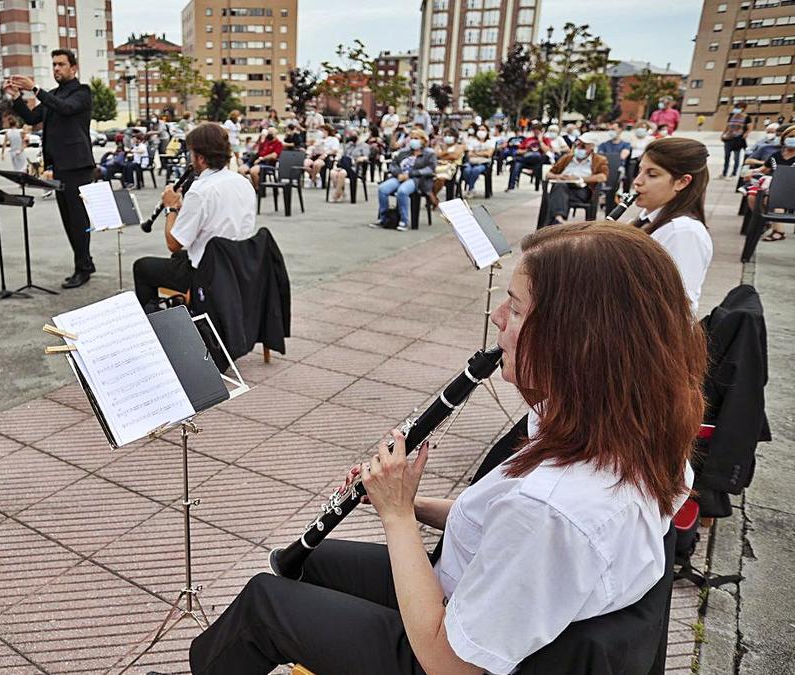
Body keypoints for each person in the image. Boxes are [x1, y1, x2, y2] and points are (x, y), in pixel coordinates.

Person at [189, 221, 703, 675]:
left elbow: (448, 662)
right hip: (486, 595)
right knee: (308, 561)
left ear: (579, 338)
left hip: (450, 653)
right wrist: (407, 503)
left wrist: (395, 519)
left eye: (517, 308)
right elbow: (507, 528)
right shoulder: (622, 426)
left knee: (265, 603)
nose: (498, 317)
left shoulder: (555, 507)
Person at [131, 123, 256, 310]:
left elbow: (174, 243)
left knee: (142, 267)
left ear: (201, 158)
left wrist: (171, 208)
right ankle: (186, 305)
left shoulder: (200, 190)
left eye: (191, 153)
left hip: (208, 271)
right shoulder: (243, 182)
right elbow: (214, 219)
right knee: (178, 257)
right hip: (239, 264)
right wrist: (183, 209)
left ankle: (154, 322)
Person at [7, 48, 97, 289]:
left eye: (61, 64)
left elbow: (65, 108)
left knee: (78, 220)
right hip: (59, 167)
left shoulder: (82, 92)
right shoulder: (53, 95)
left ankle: (83, 268)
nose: (56, 68)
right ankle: (84, 262)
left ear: (73, 68)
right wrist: (16, 97)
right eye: (54, 65)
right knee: (68, 220)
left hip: (78, 166)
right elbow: (31, 118)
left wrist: (36, 89)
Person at [630, 136, 714, 312]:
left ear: (682, 182)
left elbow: (677, 304)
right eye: (640, 171)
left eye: (652, 174)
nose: (637, 181)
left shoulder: (684, 233)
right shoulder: (648, 218)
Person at [374, 129, 436, 231]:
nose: (412, 140)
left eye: (416, 138)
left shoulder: (429, 153)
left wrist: (410, 174)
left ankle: (403, 220)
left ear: (423, 140)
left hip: (416, 179)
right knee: (382, 189)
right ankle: (383, 218)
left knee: (402, 191)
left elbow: (430, 169)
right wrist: (398, 173)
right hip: (399, 177)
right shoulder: (404, 152)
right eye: (411, 138)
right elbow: (393, 165)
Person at [542, 132, 609, 227]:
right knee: (560, 186)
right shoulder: (567, 158)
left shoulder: (599, 160)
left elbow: (603, 177)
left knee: (556, 195)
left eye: (583, 145)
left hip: (582, 191)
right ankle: (558, 219)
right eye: (578, 144)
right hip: (562, 187)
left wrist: (579, 178)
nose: (579, 147)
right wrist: (558, 176)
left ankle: (551, 224)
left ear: (592, 147)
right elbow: (549, 174)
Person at [750, 126, 795, 242]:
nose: (793, 139)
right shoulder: (776, 156)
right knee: (752, 196)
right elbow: (763, 169)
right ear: (784, 138)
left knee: (775, 200)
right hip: (774, 186)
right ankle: (765, 222)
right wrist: (751, 172)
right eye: (791, 136)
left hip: (790, 190)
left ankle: (778, 231)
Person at [430, 129, 464, 206]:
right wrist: (446, 153)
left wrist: (443, 154)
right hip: (438, 166)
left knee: (441, 178)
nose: (447, 137)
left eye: (450, 135)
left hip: (452, 168)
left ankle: (432, 197)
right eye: (446, 135)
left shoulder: (459, 146)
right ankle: (432, 197)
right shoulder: (440, 145)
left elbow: (454, 156)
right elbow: (435, 155)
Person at [506, 125, 545, 191]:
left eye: (538, 130)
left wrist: (540, 141)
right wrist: (527, 150)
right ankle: (511, 186)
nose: (536, 132)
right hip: (525, 159)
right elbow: (518, 151)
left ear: (541, 131)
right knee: (517, 164)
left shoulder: (545, 139)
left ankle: (516, 159)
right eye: (535, 130)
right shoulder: (528, 139)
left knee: (536, 155)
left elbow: (546, 150)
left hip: (538, 161)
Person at [461, 125, 494, 197]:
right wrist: (483, 153)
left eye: (483, 130)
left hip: (484, 163)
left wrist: (475, 153)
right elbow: (469, 154)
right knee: (466, 170)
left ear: (487, 131)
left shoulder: (490, 141)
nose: (481, 131)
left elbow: (488, 154)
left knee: (476, 170)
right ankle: (472, 187)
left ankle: (470, 189)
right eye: (479, 129)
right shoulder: (473, 141)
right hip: (471, 162)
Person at [721, 104, 752, 178]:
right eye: (736, 107)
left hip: (738, 139)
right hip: (729, 138)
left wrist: (746, 134)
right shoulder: (732, 115)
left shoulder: (746, 117)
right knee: (727, 157)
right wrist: (723, 134)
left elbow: (749, 127)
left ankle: (734, 173)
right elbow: (728, 126)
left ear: (743, 108)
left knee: (736, 157)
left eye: (739, 107)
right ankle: (724, 173)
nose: (737, 109)